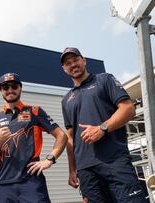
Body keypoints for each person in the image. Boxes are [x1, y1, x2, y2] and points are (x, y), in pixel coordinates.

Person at [60, 47, 148, 203]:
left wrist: (102, 128)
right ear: (64, 69)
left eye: (76, 60)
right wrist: (72, 170)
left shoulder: (104, 80)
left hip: (114, 160)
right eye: (68, 63)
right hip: (86, 170)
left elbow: (128, 109)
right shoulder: (66, 99)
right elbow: (70, 138)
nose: (73, 65)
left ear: (84, 60)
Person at [0, 73, 68, 203]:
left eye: (14, 86)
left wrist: (49, 159)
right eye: (5, 87)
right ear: (1, 90)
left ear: (20, 88)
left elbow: (61, 136)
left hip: (31, 183)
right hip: (4, 185)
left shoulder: (34, 111)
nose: (10, 90)